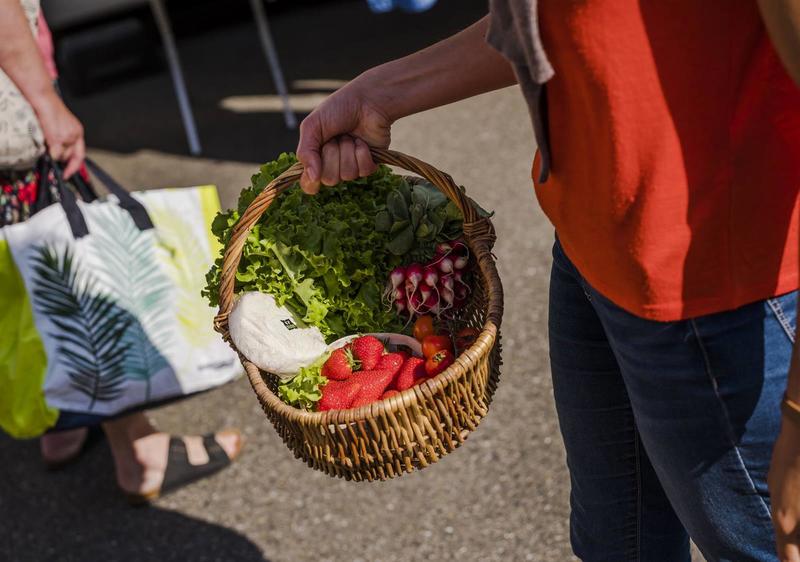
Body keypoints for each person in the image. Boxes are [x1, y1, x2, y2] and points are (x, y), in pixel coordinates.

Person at [296, 2, 800, 560]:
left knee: (761, 547)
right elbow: (553, 21)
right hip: (593, 251)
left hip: (709, 282)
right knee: (616, 545)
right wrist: (380, 92)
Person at [0, 0, 242, 501]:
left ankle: (62, 427)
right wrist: (47, 106)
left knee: (25, 287)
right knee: (79, 283)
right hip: (10, 116)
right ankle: (140, 455)